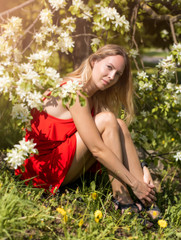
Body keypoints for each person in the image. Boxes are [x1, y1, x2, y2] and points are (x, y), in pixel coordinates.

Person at [15, 44, 159, 218]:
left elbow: (113, 135)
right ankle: (123, 200)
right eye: (109, 67)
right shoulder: (74, 92)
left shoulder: (94, 95)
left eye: (118, 74)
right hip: (41, 171)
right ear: (94, 61)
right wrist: (134, 183)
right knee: (107, 120)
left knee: (118, 123)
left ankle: (148, 200)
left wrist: (142, 167)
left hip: (61, 161)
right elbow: (97, 149)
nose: (112, 76)